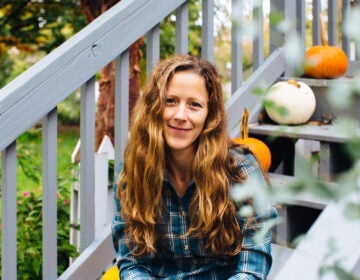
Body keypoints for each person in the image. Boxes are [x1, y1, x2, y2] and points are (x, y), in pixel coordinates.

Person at [111, 54, 277, 279]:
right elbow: (132, 262)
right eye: (170, 101)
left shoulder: (241, 172)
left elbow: (252, 267)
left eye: (194, 105)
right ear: (153, 107)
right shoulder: (132, 173)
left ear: (210, 115)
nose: (180, 115)